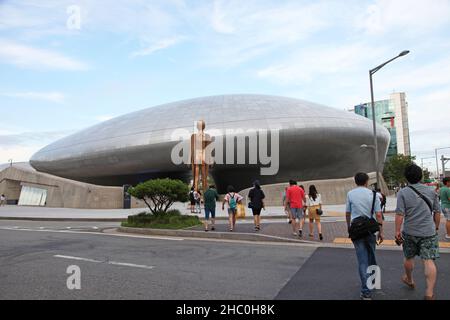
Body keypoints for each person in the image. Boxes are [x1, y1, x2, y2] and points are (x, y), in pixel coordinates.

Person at [395, 164, 441, 300]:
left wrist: (397, 231)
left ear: (406, 177)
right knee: (428, 261)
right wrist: (436, 227)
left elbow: (399, 214)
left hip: (410, 232)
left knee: (408, 257)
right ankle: (429, 293)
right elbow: (437, 212)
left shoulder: (402, 192)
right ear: (421, 176)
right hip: (428, 232)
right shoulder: (432, 191)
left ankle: (409, 279)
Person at [346, 172, 384, 300]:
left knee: (362, 261)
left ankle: (366, 292)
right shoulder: (374, 194)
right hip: (370, 231)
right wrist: (381, 232)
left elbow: (347, 212)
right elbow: (379, 215)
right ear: (367, 181)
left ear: (355, 181)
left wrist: (348, 226)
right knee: (372, 256)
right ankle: (374, 282)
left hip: (356, 231)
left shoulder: (350, 194)